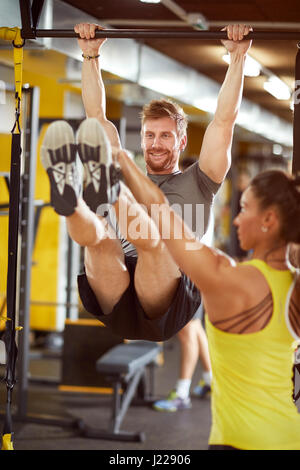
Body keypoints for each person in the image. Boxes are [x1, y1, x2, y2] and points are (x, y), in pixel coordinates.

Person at [41, 24, 252, 342]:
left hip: (171, 294)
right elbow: (95, 114)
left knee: (154, 242)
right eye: (150, 135)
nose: (155, 143)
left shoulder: (202, 179)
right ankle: (70, 202)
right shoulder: (127, 167)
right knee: (99, 241)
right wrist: (90, 55)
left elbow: (224, 120)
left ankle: (109, 192)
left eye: (165, 136)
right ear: (141, 138)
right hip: (117, 287)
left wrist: (237, 58)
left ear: (181, 142)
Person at [101, 144, 300, 449]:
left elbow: (160, 211)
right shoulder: (293, 284)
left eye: (245, 209)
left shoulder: (226, 277)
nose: (235, 219)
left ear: (269, 220)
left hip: (240, 442)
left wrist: (118, 157)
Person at [154, 157, 212, 411]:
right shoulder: (196, 199)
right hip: (197, 268)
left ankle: (181, 393)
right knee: (196, 328)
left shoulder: (194, 201)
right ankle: (210, 379)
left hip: (191, 270)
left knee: (187, 332)